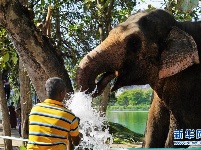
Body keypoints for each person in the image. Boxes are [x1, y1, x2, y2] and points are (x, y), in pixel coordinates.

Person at [27, 77, 82, 150]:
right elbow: (76, 142)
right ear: (62, 93)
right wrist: (73, 127)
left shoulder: (35, 109)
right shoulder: (69, 116)